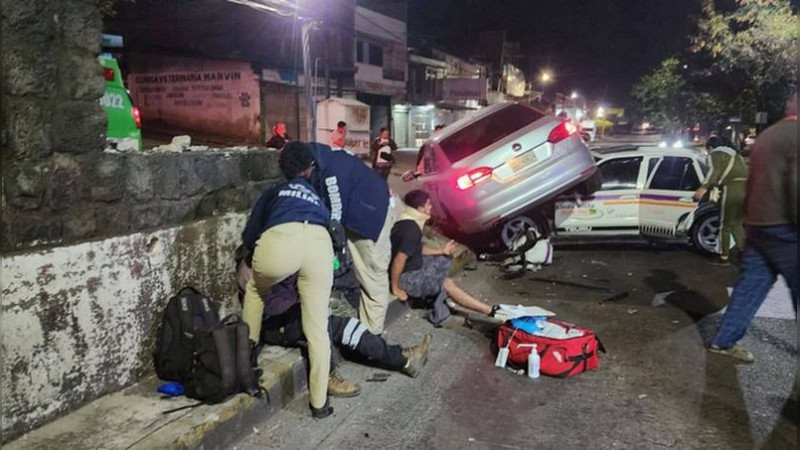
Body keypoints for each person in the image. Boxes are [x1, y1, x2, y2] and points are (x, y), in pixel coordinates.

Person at [235, 264, 433, 397]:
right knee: (325, 325)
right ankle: (328, 378)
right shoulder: (253, 264)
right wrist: (301, 293)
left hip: (295, 312)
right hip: (273, 325)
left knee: (345, 326)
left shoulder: (284, 251)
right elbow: (270, 307)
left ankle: (403, 358)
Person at [240, 141, 335, 419]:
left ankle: (246, 368)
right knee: (317, 326)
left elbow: (250, 236)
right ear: (310, 169)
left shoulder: (273, 192)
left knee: (256, 292)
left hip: (280, 243)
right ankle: (319, 404)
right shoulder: (317, 197)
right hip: (319, 245)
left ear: (282, 169)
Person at [708, 91, 797, 366]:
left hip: (758, 225)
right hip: (787, 229)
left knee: (751, 286)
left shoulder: (767, 136)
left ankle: (723, 341)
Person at [303, 142, 395, 335]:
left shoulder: (333, 172)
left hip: (370, 218)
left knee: (373, 273)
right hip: (361, 210)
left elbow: (336, 212)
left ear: (310, 163)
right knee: (365, 272)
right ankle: (367, 324)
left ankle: (372, 336)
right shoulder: (323, 159)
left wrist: (331, 245)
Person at [390, 189, 500, 326]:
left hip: (413, 266)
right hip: (406, 277)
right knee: (446, 283)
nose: (431, 207)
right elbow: (399, 260)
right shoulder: (410, 229)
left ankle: (441, 296)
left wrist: (441, 250)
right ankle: (490, 311)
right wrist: (396, 288)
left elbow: (415, 248)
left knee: (444, 259)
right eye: (428, 204)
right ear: (420, 208)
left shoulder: (408, 221)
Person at [692, 136, 749, 265]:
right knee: (736, 224)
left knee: (725, 225)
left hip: (732, 189)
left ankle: (723, 257)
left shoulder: (716, 154)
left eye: (707, 151)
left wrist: (702, 188)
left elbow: (713, 172)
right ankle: (744, 253)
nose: (707, 154)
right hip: (746, 189)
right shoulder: (735, 155)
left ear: (710, 148)